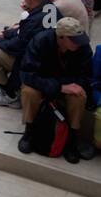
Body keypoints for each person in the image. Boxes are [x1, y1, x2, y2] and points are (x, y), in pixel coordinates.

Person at [16, 19, 95, 163]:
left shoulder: (83, 47)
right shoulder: (40, 41)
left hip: (65, 85)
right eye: (73, 40)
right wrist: (59, 86)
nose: (78, 43)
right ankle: (29, 131)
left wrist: (67, 86)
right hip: (44, 84)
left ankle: (72, 138)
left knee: (79, 96)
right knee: (28, 92)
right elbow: (27, 74)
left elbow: (86, 77)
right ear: (61, 37)